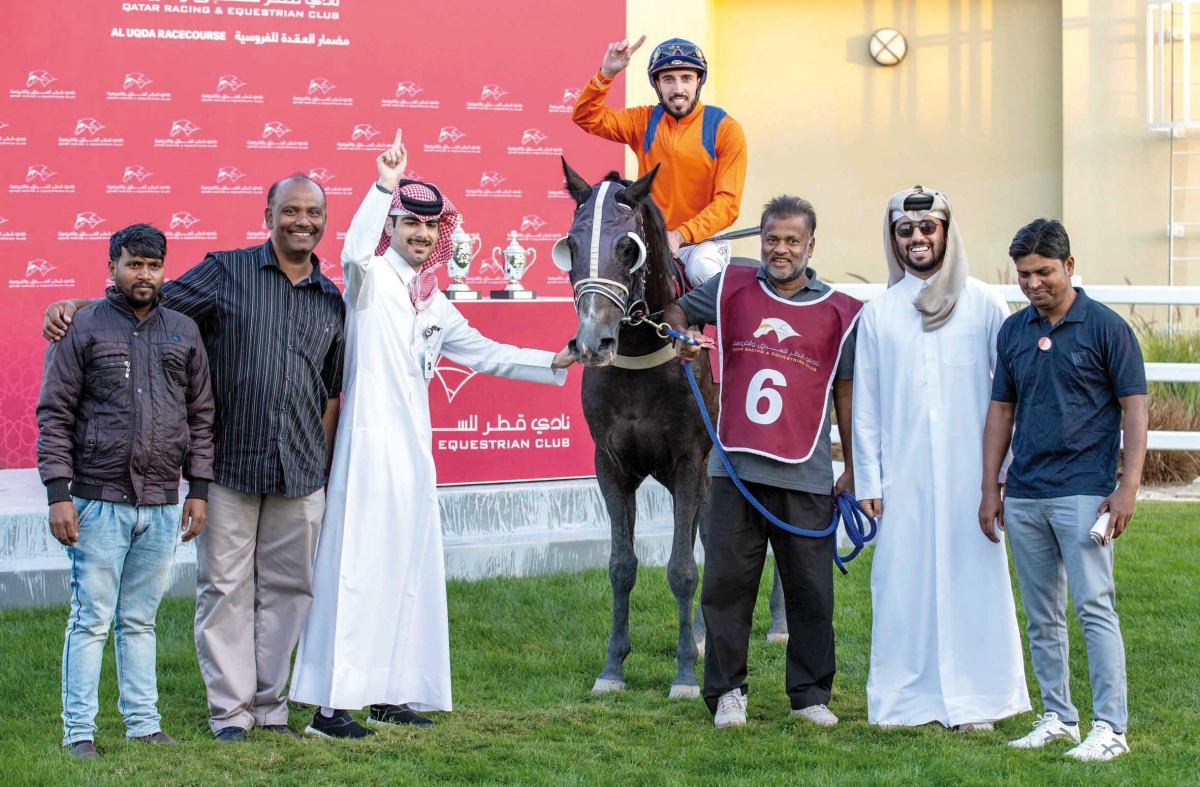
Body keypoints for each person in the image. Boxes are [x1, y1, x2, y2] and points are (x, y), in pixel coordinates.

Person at [289, 131, 575, 738]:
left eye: (429, 226)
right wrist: (383, 183)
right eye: (408, 224)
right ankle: (331, 707)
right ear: (391, 227)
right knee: (357, 570)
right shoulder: (366, 281)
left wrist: (560, 359)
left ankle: (391, 692)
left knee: (407, 570)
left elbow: (489, 354)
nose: (420, 235)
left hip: (415, 457)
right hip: (367, 453)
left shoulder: (433, 300)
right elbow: (352, 248)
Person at [44, 176, 346, 742]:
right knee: (224, 590)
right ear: (268, 215)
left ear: (324, 220)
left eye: (312, 212)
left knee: (289, 592)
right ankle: (230, 713)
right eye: (290, 211)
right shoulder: (226, 271)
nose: (301, 221)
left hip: (301, 472)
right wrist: (75, 308)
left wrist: (322, 464)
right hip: (230, 464)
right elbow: (146, 303)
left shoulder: (332, 299)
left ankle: (270, 706)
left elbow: (331, 391)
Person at [663, 195, 859, 729]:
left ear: (811, 246)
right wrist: (684, 335)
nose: (780, 249)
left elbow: (846, 393)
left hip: (807, 474)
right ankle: (728, 691)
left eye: (792, 240)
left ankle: (810, 695)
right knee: (727, 587)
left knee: (811, 592)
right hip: (734, 470)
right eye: (772, 238)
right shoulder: (731, 287)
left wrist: (853, 465)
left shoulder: (842, 312)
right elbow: (677, 310)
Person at [852, 185, 1030, 731]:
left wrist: (998, 478)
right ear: (894, 239)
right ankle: (906, 701)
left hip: (971, 480)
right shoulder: (879, 312)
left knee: (974, 581)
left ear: (946, 233)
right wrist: (868, 480)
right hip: (903, 478)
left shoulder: (984, 304)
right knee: (902, 586)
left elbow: (1008, 397)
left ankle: (982, 701)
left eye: (928, 228)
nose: (917, 239)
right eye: (906, 231)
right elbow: (867, 406)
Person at [36, 224, 215, 758]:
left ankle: (143, 724)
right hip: (97, 502)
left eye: (153, 265)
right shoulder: (82, 328)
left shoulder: (184, 331)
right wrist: (57, 494)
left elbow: (201, 417)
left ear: (164, 269)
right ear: (112, 265)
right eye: (133, 264)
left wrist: (197, 489)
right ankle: (79, 732)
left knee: (140, 619)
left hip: (161, 503)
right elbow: (55, 415)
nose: (144, 275)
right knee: (91, 617)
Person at [981, 218, 1147, 762]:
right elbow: (1001, 409)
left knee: (1094, 608)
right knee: (1042, 614)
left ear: (1069, 267)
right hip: (1025, 492)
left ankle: (1111, 728)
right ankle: (1057, 717)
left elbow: (1135, 409)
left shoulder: (1106, 328)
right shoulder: (1014, 331)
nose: (1033, 284)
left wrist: (1127, 487)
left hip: (1084, 493)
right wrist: (991, 488)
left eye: (1044, 272)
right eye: (1024, 274)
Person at [572, 35, 747, 287]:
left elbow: (727, 204)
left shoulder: (725, 128)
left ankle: (719, 328)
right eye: (668, 79)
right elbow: (586, 117)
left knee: (701, 271)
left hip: (704, 241)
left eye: (686, 78)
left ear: (699, 81)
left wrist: (680, 235)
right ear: (657, 84)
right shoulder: (642, 121)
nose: (678, 89)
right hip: (651, 237)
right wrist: (606, 74)